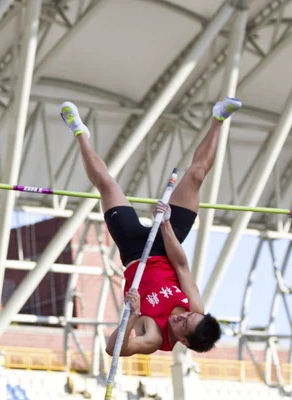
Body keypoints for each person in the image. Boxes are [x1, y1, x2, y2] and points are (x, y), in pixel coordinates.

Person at [59, 97, 242, 356]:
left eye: (183, 323)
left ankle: (80, 134)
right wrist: (165, 223)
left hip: (134, 252)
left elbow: (114, 350)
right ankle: (218, 119)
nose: (182, 316)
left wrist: (132, 316)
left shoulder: (155, 337)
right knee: (196, 176)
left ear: (185, 342)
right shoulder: (195, 307)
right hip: (167, 246)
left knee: (106, 184)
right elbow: (181, 266)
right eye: (188, 315)